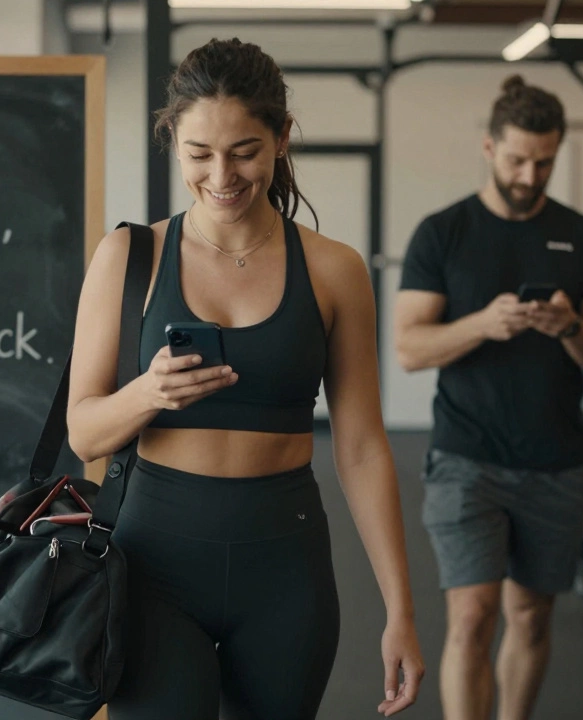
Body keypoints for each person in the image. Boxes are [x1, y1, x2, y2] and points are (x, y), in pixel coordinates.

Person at [66, 38, 424, 720]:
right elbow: (83, 431)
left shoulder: (335, 269)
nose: (221, 175)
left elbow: (361, 449)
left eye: (244, 151)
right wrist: (148, 393)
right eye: (199, 154)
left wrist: (400, 610)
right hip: (153, 567)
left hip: (286, 569)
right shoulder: (128, 256)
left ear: (282, 138)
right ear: (174, 143)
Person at [393, 75, 583, 720]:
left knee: (530, 615)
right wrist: (482, 325)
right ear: (490, 147)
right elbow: (409, 348)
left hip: (556, 459)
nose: (530, 175)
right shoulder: (443, 232)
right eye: (519, 159)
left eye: (544, 162)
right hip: (466, 457)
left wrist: (570, 327)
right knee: (472, 616)